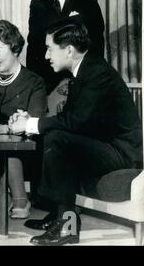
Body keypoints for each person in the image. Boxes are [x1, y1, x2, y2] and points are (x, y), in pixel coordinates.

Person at [10, 19, 142, 246]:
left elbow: (76, 122)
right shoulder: (84, 70)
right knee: (51, 136)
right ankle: (59, 213)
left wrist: (30, 124)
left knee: (57, 139)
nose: (46, 56)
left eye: (50, 48)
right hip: (105, 145)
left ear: (69, 50)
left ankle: (67, 226)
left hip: (122, 155)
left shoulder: (96, 72)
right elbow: (73, 121)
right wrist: (29, 122)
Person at [0, 20, 47, 218]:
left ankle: (20, 200)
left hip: (23, 150)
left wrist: (4, 129)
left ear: (14, 48)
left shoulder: (34, 82)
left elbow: (36, 121)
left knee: (7, 146)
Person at [26, 0, 105, 94]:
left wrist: (85, 77)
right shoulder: (37, 4)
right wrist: (34, 83)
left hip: (81, 79)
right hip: (47, 83)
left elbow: (97, 43)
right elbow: (33, 47)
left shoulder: (87, 1)